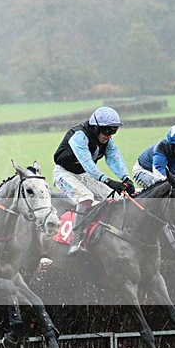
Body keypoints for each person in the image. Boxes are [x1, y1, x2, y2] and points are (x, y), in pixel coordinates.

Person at [52, 106, 136, 255]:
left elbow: (114, 158)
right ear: (96, 127)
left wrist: (126, 178)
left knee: (118, 197)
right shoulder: (79, 136)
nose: (109, 135)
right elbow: (88, 163)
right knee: (86, 197)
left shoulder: (106, 140)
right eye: (107, 131)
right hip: (64, 174)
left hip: (84, 175)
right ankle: (76, 240)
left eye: (113, 131)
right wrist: (108, 181)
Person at [133, 124, 175, 189]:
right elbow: (161, 178)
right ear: (172, 146)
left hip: (169, 172)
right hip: (144, 171)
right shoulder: (161, 149)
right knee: (163, 187)